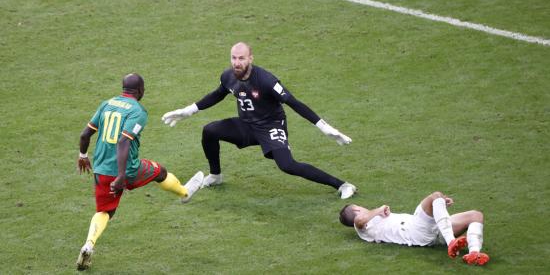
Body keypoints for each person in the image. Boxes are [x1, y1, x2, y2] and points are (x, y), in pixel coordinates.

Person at [161, 42, 356, 199]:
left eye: (241, 58)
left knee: (287, 165)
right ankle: (216, 175)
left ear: (250, 59)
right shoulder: (229, 76)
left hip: (271, 126)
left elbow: (293, 102)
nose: (237, 63)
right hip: (247, 125)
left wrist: (324, 127)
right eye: (234, 58)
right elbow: (218, 94)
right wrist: (189, 110)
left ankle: (342, 185)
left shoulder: (266, 81)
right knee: (210, 131)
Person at [76, 73, 204, 271]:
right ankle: (185, 193)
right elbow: (124, 141)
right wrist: (121, 176)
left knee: (105, 211)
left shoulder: (107, 104)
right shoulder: (138, 111)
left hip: (101, 169)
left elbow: (85, 134)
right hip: (126, 169)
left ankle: (88, 245)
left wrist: (83, 155)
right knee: (159, 171)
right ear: (140, 90)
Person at [339, 191, 490, 266]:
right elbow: (359, 220)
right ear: (357, 210)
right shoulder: (362, 227)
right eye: (359, 207)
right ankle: (451, 241)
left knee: (475, 215)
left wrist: (440, 205)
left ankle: (474, 254)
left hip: (430, 232)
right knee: (435, 195)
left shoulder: (372, 223)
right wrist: (378, 210)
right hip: (415, 230)